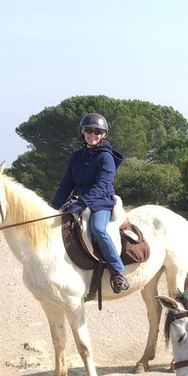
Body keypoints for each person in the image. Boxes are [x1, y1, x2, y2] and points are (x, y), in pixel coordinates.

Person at [52, 112, 130, 294]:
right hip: (79, 200)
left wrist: (84, 202)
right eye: (89, 130)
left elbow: (103, 185)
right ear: (82, 132)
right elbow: (67, 183)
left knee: (97, 229)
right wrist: (54, 206)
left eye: (97, 131)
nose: (92, 135)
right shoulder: (77, 156)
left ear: (103, 134)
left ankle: (118, 272)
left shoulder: (106, 157)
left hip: (101, 202)